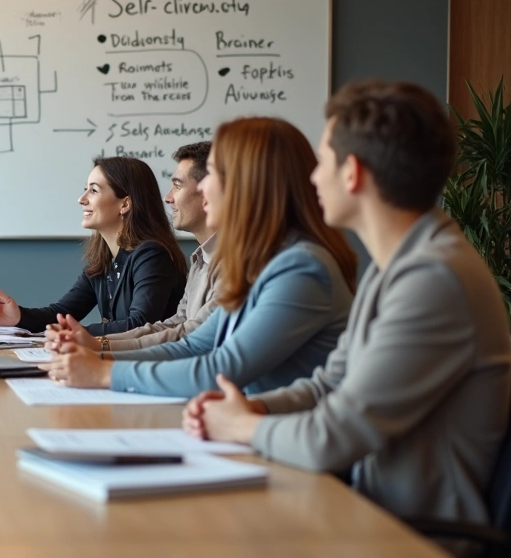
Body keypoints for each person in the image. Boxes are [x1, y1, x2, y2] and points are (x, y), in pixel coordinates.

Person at [184, 81, 511, 530]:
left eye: (323, 162)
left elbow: (331, 438)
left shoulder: (433, 280)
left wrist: (240, 426)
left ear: (352, 173)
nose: (313, 177)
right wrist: (254, 408)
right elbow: (329, 385)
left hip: (410, 535)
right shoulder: (395, 263)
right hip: (362, 508)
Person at [43, 117, 357, 397]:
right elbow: (195, 344)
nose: (202, 187)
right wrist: (100, 356)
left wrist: (104, 371)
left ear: (248, 184)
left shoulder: (299, 267)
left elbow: (220, 367)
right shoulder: (260, 262)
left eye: (213, 174)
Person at [0, 157, 187, 336]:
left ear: (124, 204)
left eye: (94, 190)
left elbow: (139, 325)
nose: (81, 200)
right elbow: (62, 312)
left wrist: (72, 332)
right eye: (85, 190)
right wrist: (18, 316)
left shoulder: (152, 256)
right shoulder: (105, 260)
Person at [92, 141, 220, 352]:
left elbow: (191, 336)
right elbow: (175, 324)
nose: (168, 198)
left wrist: (102, 349)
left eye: (177, 185)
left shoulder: (239, 266)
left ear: (208, 193)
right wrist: (98, 343)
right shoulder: (200, 260)